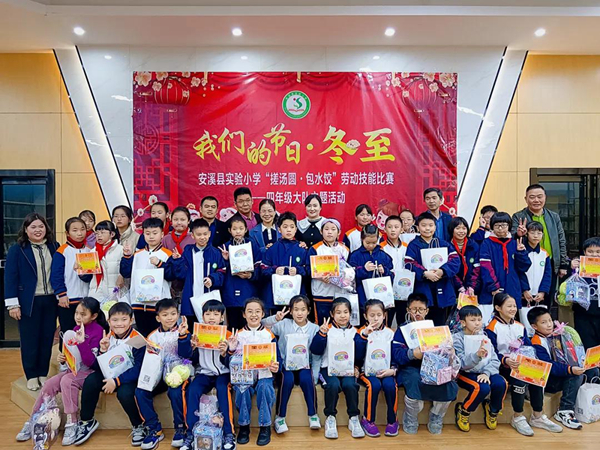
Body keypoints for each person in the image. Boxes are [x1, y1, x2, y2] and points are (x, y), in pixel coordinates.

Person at [16, 297, 107, 445]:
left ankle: (72, 422)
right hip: (74, 371)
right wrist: (63, 358)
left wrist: (82, 343)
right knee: (49, 384)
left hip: (89, 373)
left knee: (67, 381)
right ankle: (34, 418)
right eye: (76, 313)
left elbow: (91, 362)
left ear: (94, 316)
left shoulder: (98, 332)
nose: (78, 317)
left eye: (83, 314)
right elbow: (73, 355)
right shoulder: (75, 329)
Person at [485, 293, 562, 436]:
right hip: (502, 366)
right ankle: (518, 416)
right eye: (509, 306)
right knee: (519, 378)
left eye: (514, 306)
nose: (513, 309)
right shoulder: (491, 328)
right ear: (498, 308)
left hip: (520, 363)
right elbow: (492, 352)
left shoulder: (520, 326)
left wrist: (530, 361)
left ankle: (537, 416)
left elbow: (528, 347)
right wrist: (505, 360)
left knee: (537, 374)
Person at [73, 302, 146, 446]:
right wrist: (102, 351)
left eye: (124, 319)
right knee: (91, 380)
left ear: (131, 320)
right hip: (112, 374)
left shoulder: (137, 340)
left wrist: (117, 381)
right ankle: (87, 421)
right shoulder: (107, 336)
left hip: (130, 378)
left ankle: (138, 425)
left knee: (124, 393)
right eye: (115, 320)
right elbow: (97, 366)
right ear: (109, 321)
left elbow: (139, 369)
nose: (119, 324)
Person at [4, 213, 60, 391]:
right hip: (29, 302)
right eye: (33, 227)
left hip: (51, 300)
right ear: (26, 230)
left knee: (47, 338)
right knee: (30, 340)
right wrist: (13, 304)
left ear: (46, 228)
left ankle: (43, 372)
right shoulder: (17, 249)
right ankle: (31, 375)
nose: (38, 230)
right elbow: (10, 278)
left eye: (41, 226)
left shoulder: (54, 246)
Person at [392, 293, 458, 435]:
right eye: (413, 309)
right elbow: (396, 354)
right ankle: (411, 417)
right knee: (413, 381)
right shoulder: (402, 330)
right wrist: (412, 354)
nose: (417, 313)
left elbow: (446, 353)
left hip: (434, 367)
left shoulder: (435, 329)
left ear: (427, 311)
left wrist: (449, 351)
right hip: (410, 367)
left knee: (448, 383)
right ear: (407, 310)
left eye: (421, 309)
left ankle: (436, 415)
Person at [221, 298, 279, 446]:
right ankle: (244, 426)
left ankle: (265, 427)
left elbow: (277, 358)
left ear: (263, 314)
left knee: (265, 388)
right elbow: (229, 364)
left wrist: (276, 367)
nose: (254, 315)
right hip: (244, 376)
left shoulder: (269, 335)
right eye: (250, 311)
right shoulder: (238, 335)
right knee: (242, 390)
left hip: (264, 374)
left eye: (257, 311)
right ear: (244, 314)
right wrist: (231, 350)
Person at [179, 300, 236, 450]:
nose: (211, 317)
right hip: (204, 372)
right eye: (208, 314)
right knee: (192, 390)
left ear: (222, 317)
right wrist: (191, 346)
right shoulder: (198, 333)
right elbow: (189, 357)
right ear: (202, 316)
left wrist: (225, 353)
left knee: (223, 389)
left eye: (216, 314)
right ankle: (191, 434)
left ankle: (228, 434)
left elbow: (233, 363)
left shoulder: (228, 335)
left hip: (223, 373)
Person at [262, 295, 322, 433]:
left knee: (307, 379)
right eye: (296, 309)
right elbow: (262, 325)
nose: (299, 313)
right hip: (286, 365)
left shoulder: (314, 328)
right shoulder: (284, 324)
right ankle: (280, 417)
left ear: (309, 311)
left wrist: (315, 374)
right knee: (287, 379)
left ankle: (313, 415)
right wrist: (275, 319)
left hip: (305, 365)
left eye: (303, 309)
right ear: (290, 311)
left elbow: (316, 354)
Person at [135, 299, 188, 449]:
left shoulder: (183, 331)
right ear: (158, 318)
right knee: (140, 392)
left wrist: (183, 337)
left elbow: (187, 355)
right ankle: (154, 428)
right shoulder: (152, 336)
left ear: (178, 315)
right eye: (165, 315)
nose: (169, 318)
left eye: (173, 314)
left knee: (175, 392)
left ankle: (180, 428)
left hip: (178, 373)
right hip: (158, 374)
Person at [528, 306, 593, 430]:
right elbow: (549, 366)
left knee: (592, 371)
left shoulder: (558, 335)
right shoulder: (537, 342)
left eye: (550, 320)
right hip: (549, 380)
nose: (549, 325)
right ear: (534, 326)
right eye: (543, 322)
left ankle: (589, 405)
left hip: (563, 370)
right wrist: (570, 369)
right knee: (575, 376)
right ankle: (564, 410)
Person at [310, 297, 365, 439]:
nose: (342, 316)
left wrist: (357, 367)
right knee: (333, 385)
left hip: (347, 369)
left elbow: (359, 354)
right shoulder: (326, 329)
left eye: (345, 312)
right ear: (332, 314)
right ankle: (330, 418)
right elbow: (315, 350)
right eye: (338, 312)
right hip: (328, 368)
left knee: (350, 385)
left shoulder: (355, 332)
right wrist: (321, 335)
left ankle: (353, 418)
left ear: (350, 313)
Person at [120, 217, 178, 336]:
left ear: (162, 234)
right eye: (147, 233)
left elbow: (172, 275)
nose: (151, 236)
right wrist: (127, 257)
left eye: (155, 233)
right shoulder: (137, 254)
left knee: (159, 337)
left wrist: (160, 264)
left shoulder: (167, 254)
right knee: (142, 336)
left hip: (159, 304)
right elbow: (126, 273)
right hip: (138, 304)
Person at [453, 305, 507, 432]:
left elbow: (494, 359)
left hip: (485, 371)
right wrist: (477, 355)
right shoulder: (457, 339)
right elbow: (460, 363)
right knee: (482, 388)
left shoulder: (485, 337)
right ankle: (464, 411)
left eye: (479, 319)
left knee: (501, 383)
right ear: (463, 323)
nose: (477, 323)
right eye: (473, 320)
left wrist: (487, 373)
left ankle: (492, 410)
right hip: (466, 373)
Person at [512, 184, 569, 302]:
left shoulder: (554, 217)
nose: (536, 200)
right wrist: (519, 234)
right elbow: (513, 238)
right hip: (526, 263)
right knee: (526, 300)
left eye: (539, 196)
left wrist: (563, 264)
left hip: (549, 263)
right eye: (532, 197)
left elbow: (561, 240)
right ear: (526, 199)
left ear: (545, 197)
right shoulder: (518, 216)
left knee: (547, 299)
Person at [404, 212, 460, 326]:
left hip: (442, 287)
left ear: (435, 227)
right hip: (423, 288)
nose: (427, 228)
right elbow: (409, 264)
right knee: (423, 324)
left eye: (430, 225)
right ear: (418, 227)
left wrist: (442, 271)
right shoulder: (413, 245)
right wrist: (424, 273)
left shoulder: (443, 244)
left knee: (440, 324)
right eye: (423, 225)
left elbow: (455, 261)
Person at [356, 299, 399, 437]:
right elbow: (357, 354)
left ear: (384, 315)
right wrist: (364, 336)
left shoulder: (390, 333)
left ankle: (392, 420)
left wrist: (393, 369)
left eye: (379, 315)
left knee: (390, 385)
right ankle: (368, 420)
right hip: (367, 372)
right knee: (373, 385)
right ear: (365, 316)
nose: (376, 318)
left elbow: (396, 354)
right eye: (372, 315)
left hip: (387, 371)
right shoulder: (361, 332)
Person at [51, 217, 94, 341]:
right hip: (68, 299)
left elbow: (89, 277)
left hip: (86, 299)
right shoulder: (62, 251)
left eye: (82, 229)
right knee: (68, 332)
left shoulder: (89, 251)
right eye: (75, 230)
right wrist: (61, 294)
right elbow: (56, 275)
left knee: (85, 333)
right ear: (67, 233)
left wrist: (82, 273)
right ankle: (65, 354)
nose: (79, 233)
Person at [177, 218, 226, 323]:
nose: (202, 237)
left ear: (209, 234)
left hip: (209, 296)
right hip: (190, 295)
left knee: (210, 326)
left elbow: (222, 271)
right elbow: (180, 273)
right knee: (190, 326)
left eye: (205, 234)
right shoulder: (187, 252)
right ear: (192, 235)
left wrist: (212, 279)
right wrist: (177, 261)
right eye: (199, 235)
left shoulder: (216, 252)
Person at [479, 212, 532, 309]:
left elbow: (523, 268)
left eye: (503, 225)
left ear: (509, 226)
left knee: (511, 314)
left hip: (512, 287)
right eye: (497, 226)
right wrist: (493, 287)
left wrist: (521, 253)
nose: (500, 229)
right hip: (492, 290)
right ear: (492, 226)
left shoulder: (515, 243)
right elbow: (485, 267)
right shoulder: (486, 243)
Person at [219, 215, 262, 330]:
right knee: (232, 325)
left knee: (247, 325)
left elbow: (259, 266)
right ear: (230, 230)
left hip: (248, 288)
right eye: (235, 229)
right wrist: (225, 260)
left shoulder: (252, 244)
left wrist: (251, 275)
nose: (238, 231)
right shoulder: (225, 247)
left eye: (241, 228)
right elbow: (220, 270)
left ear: (246, 229)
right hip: (230, 289)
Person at [261, 212, 308, 313]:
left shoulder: (302, 249)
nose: (289, 230)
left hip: (296, 297)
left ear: (296, 229)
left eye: (292, 227)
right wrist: (274, 270)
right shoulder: (272, 249)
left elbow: (308, 270)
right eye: (285, 227)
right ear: (279, 229)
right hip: (275, 296)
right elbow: (263, 269)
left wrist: (298, 270)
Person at [308, 218, 352, 323]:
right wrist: (320, 277)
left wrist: (345, 276)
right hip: (321, 293)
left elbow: (351, 270)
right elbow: (308, 269)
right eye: (326, 229)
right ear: (321, 231)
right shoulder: (315, 249)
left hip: (340, 293)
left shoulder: (345, 249)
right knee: (322, 324)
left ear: (339, 232)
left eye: (333, 229)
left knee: (340, 323)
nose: (329, 232)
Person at [348, 224, 393, 321]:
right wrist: (364, 269)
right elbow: (349, 277)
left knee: (380, 322)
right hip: (362, 298)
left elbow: (392, 276)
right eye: (368, 242)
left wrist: (384, 271)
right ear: (362, 239)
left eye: (374, 242)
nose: (371, 245)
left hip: (381, 297)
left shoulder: (384, 255)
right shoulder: (355, 255)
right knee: (364, 322)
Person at [569, 237, 600, 349]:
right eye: (590, 251)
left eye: (598, 252)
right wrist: (572, 269)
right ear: (584, 252)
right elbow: (567, 287)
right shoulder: (577, 267)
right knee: (587, 345)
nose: (594, 255)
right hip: (583, 313)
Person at [381, 215, 409, 325]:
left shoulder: (407, 247)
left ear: (402, 229)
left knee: (403, 320)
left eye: (396, 227)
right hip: (387, 289)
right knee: (387, 320)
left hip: (404, 288)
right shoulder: (380, 248)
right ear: (384, 229)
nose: (393, 230)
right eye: (390, 227)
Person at [87, 220, 124, 301]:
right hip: (96, 292)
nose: (99, 235)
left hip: (115, 292)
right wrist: (81, 270)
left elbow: (126, 269)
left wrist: (122, 276)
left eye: (102, 232)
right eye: (97, 233)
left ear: (112, 234)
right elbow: (88, 276)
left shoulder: (121, 250)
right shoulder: (92, 252)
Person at [522, 222, 552, 315]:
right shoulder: (521, 251)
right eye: (532, 233)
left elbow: (547, 274)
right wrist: (524, 290)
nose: (536, 236)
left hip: (539, 296)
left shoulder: (544, 254)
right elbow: (519, 272)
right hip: (524, 294)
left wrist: (543, 291)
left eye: (539, 233)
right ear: (526, 234)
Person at [448, 216, 480, 295]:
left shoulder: (473, 245)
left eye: (464, 228)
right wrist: (460, 287)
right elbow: (450, 269)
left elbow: (477, 268)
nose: (461, 231)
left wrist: (472, 286)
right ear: (451, 230)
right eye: (458, 228)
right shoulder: (447, 247)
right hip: (453, 287)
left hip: (472, 289)